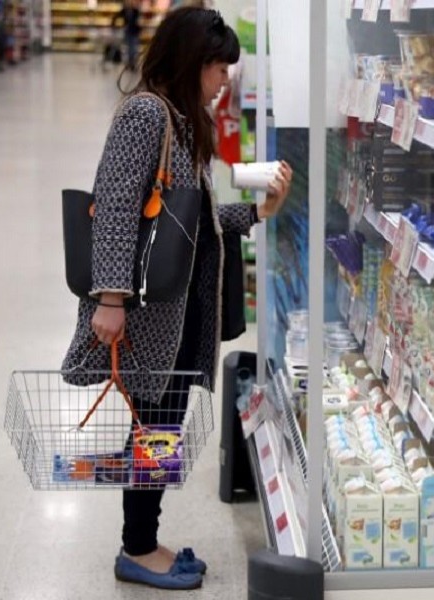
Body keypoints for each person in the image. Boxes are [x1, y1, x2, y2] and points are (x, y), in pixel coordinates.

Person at [61, 7, 293, 591]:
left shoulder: (183, 123)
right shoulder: (146, 116)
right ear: (191, 62)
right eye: (218, 68)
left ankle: (146, 539)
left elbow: (193, 222)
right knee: (153, 427)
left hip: (177, 309)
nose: (224, 81)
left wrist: (257, 214)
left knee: (159, 425)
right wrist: (109, 301)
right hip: (145, 310)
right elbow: (114, 210)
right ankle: (137, 548)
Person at [112, 0, 142, 70]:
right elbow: (116, 17)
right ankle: (130, 63)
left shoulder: (136, 11)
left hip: (134, 32)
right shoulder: (125, 11)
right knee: (129, 48)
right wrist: (114, 25)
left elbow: (137, 21)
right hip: (128, 32)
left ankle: (133, 63)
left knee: (133, 48)